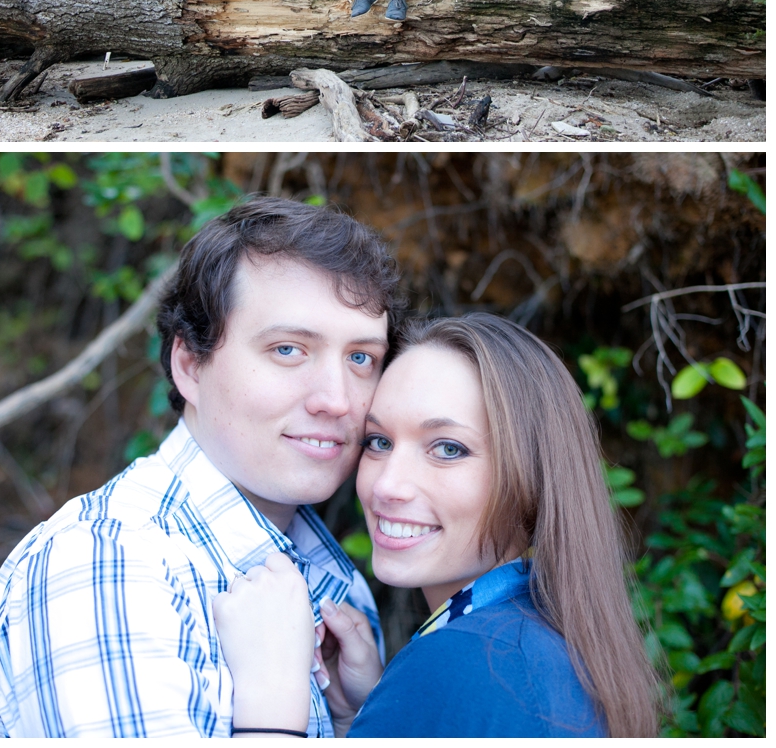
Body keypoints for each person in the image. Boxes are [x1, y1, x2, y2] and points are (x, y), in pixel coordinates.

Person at [0, 196, 406, 738]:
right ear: (190, 366)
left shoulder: (330, 576)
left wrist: (352, 722)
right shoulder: (108, 564)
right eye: (289, 350)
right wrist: (271, 704)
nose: (338, 400)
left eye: (361, 358)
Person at [214, 313, 662, 738]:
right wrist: (368, 715)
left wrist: (270, 706)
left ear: (532, 478)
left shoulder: (470, 662)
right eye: (379, 441)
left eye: (447, 449)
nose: (388, 485)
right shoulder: (543, 645)